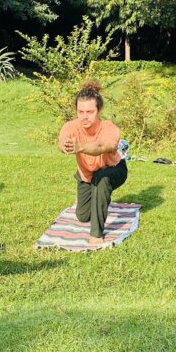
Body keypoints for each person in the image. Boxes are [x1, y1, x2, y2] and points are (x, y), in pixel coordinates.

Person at [58, 81, 128, 245]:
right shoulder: (70, 126)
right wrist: (65, 146)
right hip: (86, 174)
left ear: (99, 110)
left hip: (113, 169)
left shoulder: (109, 128)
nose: (84, 116)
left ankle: (96, 235)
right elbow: (62, 140)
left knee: (101, 180)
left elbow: (101, 146)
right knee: (83, 216)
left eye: (89, 112)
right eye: (80, 111)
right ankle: (99, 199)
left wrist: (80, 147)